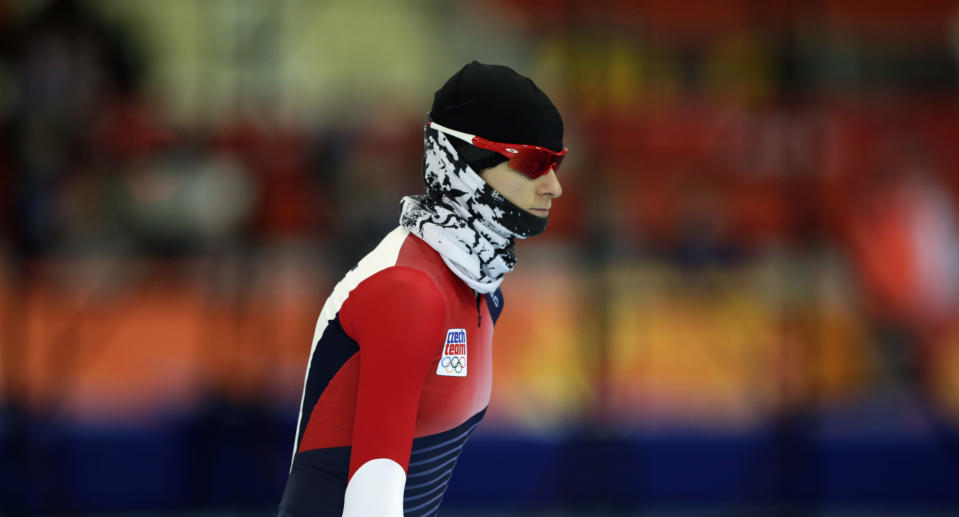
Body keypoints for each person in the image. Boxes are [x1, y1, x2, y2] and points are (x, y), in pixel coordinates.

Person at [278, 61, 566, 517]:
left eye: (558, 163)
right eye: (535, 163)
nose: (555, 186)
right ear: (466, 163)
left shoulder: (481, 289)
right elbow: (373, 499)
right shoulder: (408, 291)